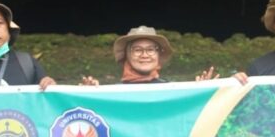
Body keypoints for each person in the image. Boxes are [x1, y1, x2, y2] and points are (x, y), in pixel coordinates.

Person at [80, 26, 220, 85]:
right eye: (137, 50)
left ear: (158, 55)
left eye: (151, 49)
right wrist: (86, 96)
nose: (145, 55)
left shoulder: (172, 91)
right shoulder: (112, 94)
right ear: (127, 56)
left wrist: (205, 92)